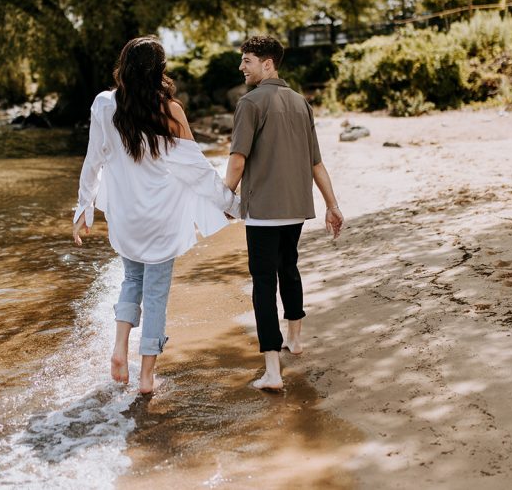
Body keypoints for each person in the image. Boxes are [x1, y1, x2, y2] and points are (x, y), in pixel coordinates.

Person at [73, 36, 241, 394]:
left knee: (131, 280)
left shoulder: (104, 104)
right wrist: (231, 204)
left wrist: (83, 208)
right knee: (156, 295)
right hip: (161, 216)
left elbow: (93, 159)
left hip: (125, 214)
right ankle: (146, 376)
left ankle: (119, 348)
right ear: (160, 70)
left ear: (124, 65)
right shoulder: (170, 110)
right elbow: (197, 170)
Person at [224, 35, 343, 391]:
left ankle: (273, 372)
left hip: (262, 211)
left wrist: (222, 200)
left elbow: (237, 160)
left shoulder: (250, 103)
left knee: (263, 284)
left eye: (247, 60)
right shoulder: (300, 103)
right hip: (295, 209)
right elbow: (316, 163)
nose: (241, 67)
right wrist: (332, 206)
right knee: (288, 269)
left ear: (267, 63)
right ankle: (295, 339)